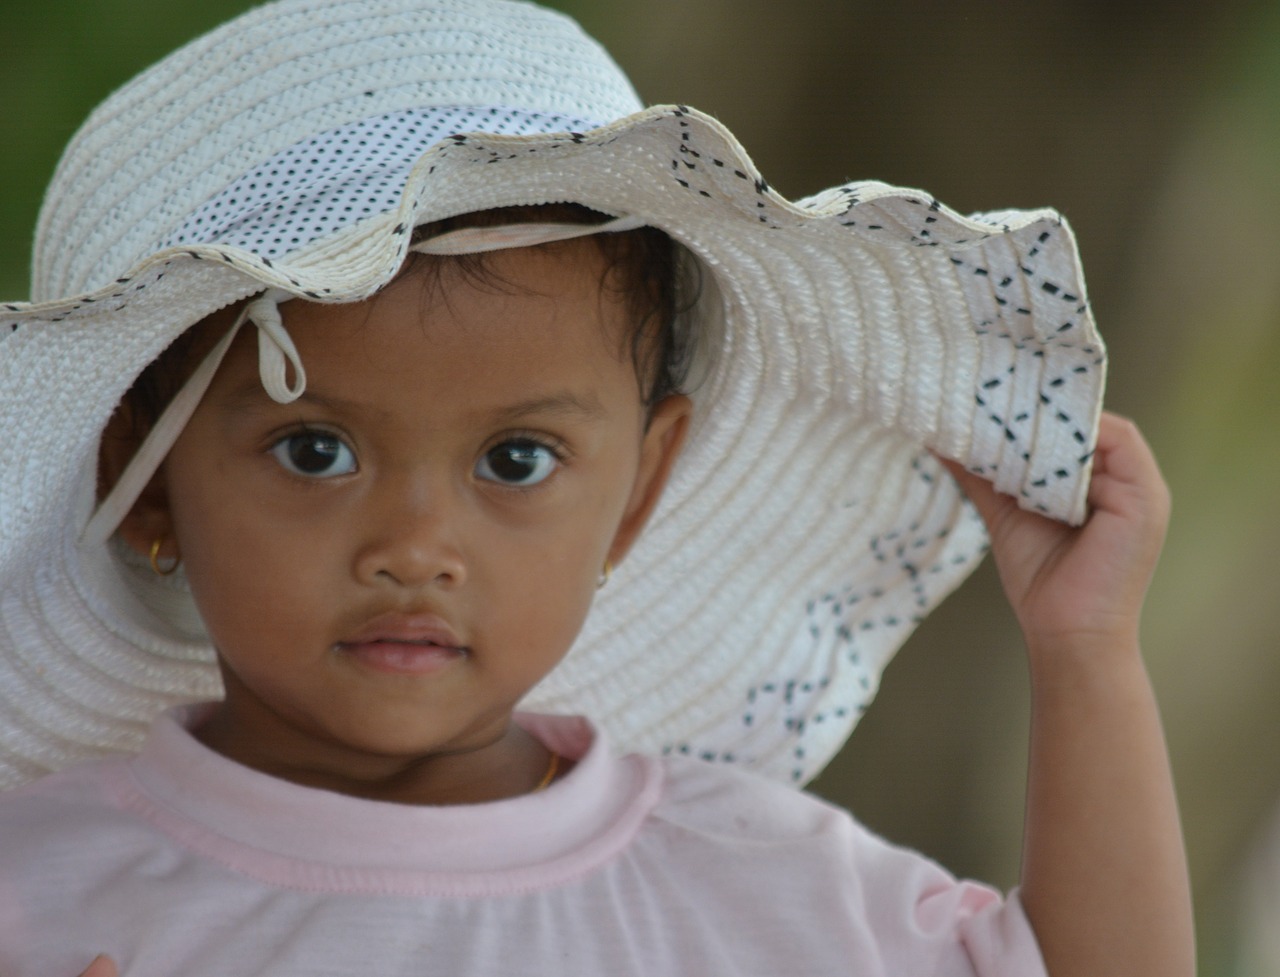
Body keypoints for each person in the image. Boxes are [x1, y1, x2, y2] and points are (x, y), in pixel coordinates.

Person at [0, 0, 1193, 975]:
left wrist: (1083, 651)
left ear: (638, 488)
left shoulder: (756, 883)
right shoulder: (40, 892)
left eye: (514, 459)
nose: (415, 545)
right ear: (144, 482)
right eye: (317, 450)